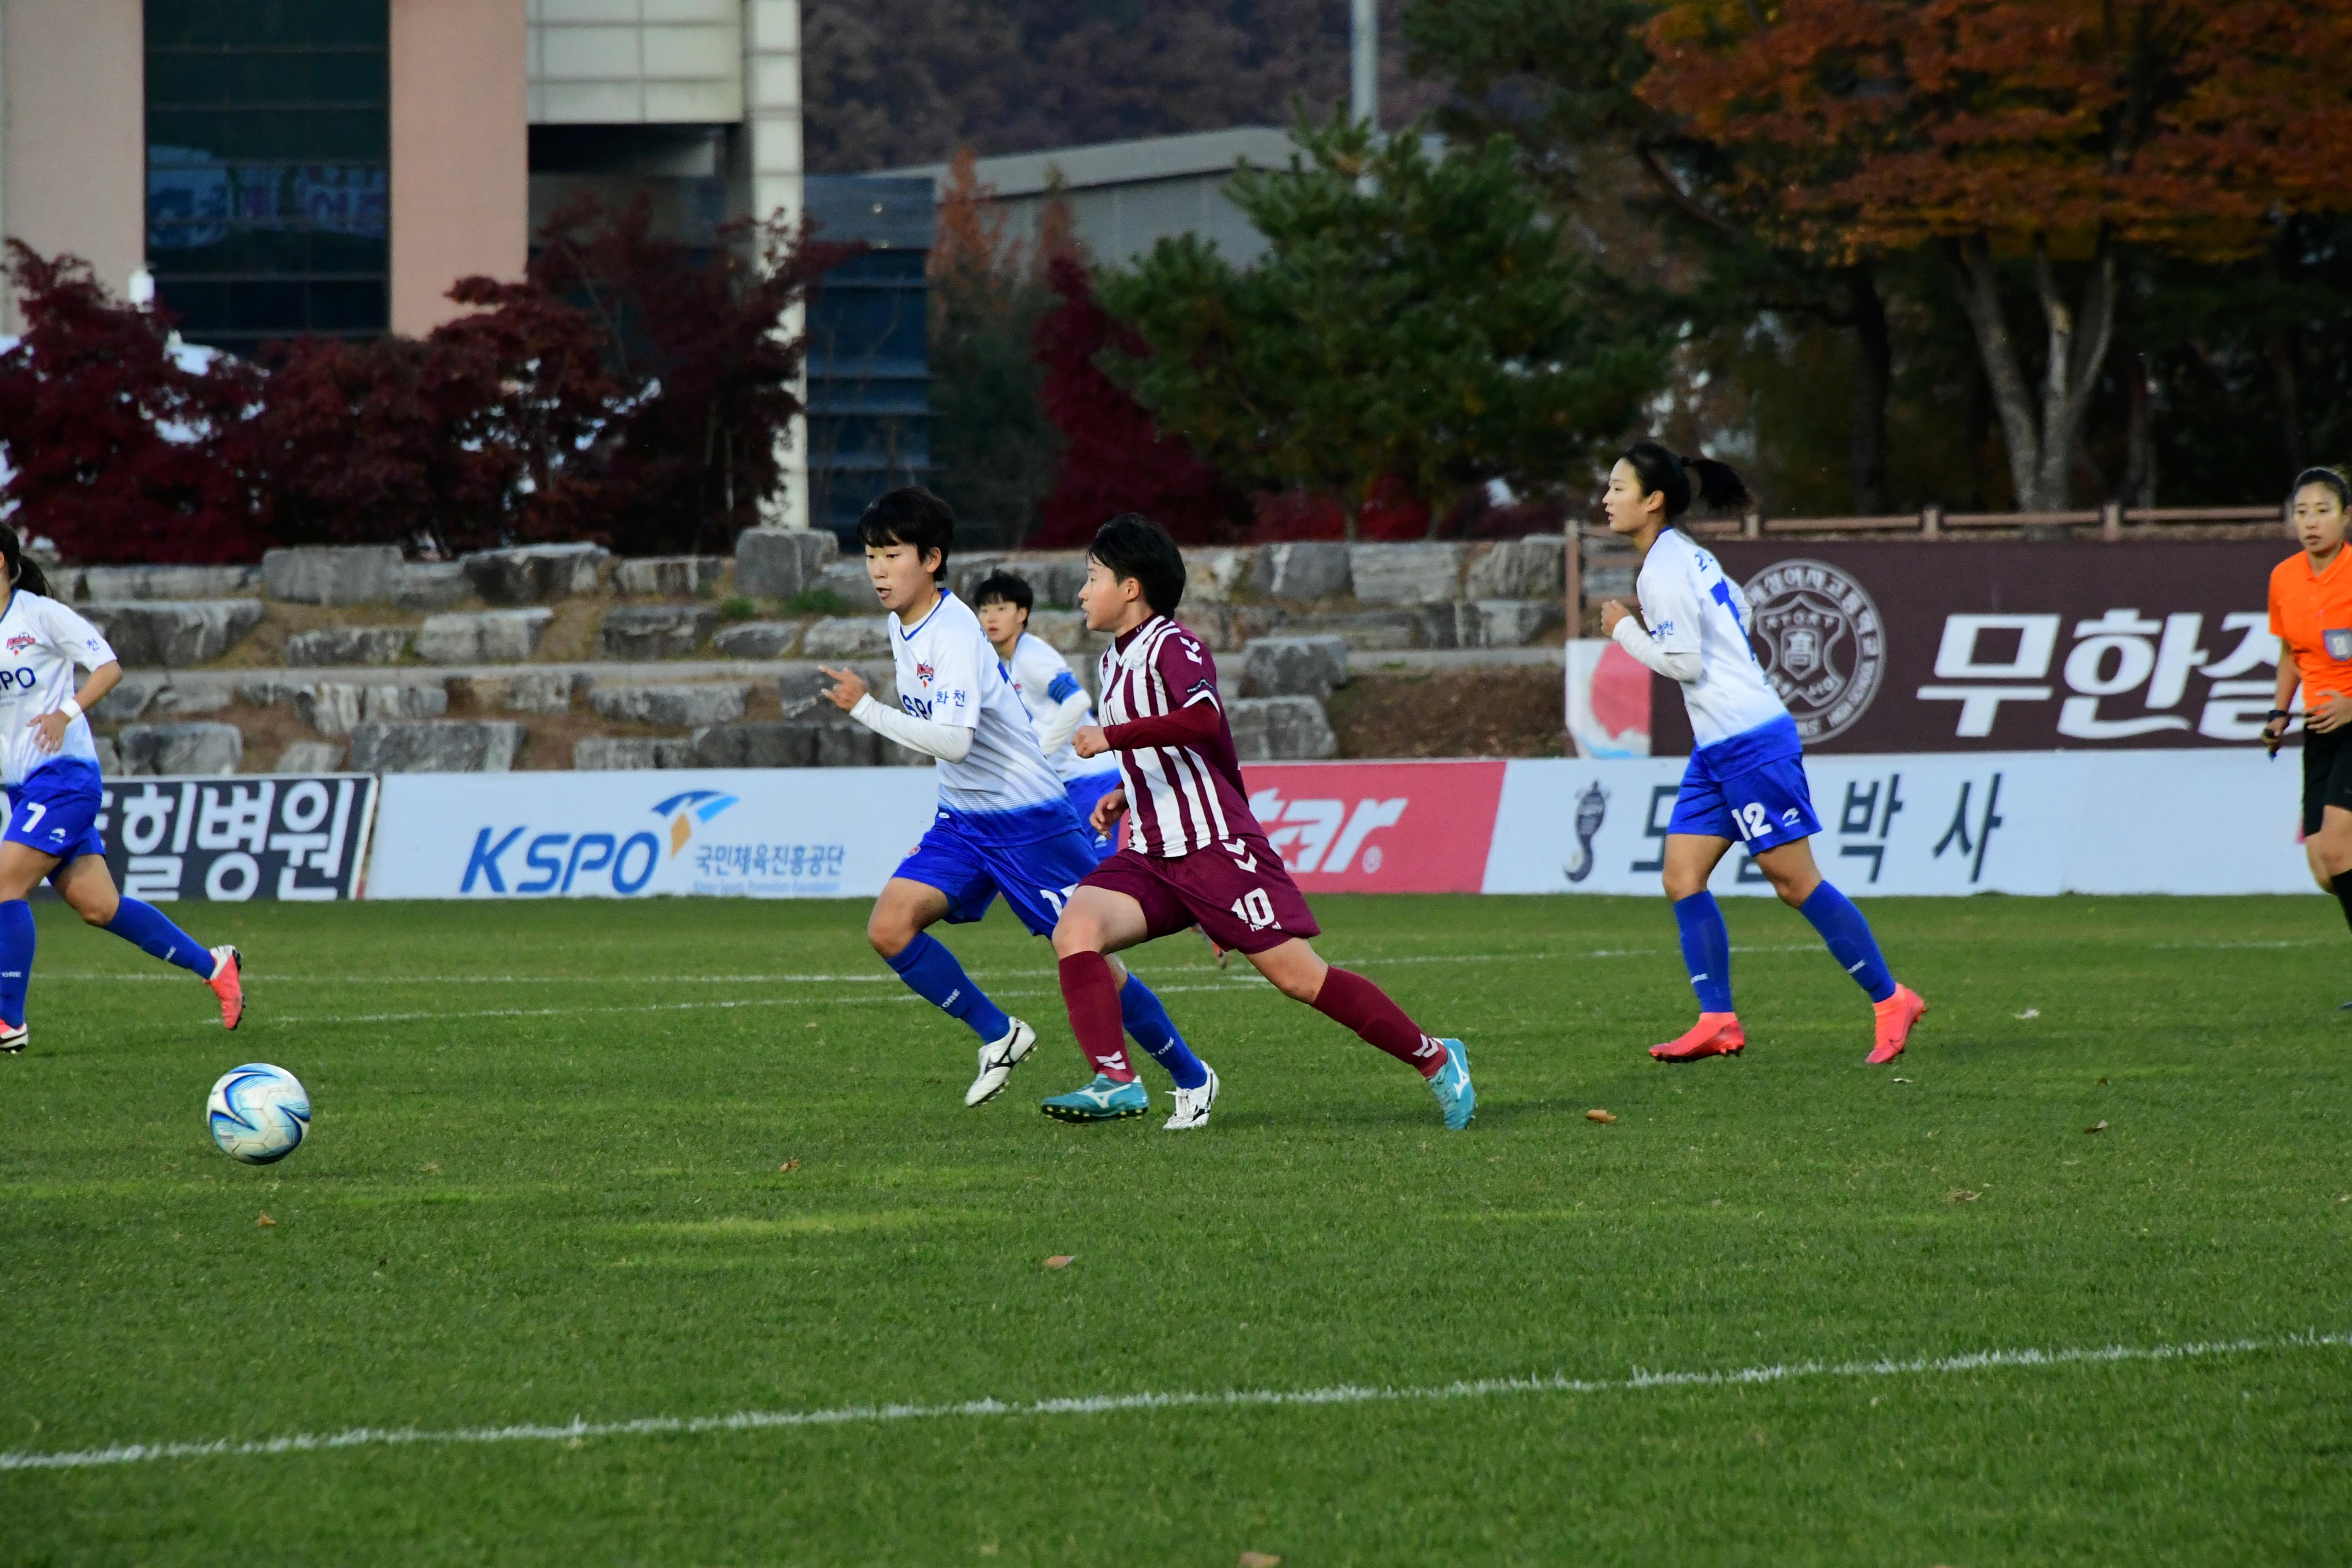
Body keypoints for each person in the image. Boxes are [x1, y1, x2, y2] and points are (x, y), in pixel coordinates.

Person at [1047, 513, 1476, 1130]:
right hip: (1154, 850)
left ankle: (1436, 1057)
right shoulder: (1114, 663)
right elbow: (1169, 748)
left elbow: (1201, 720)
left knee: (1300, 980)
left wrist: (1110, 738)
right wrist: (1124, 789)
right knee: (1075, 930)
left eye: (1092, 578)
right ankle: (1116, 1078)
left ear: (1132, 587)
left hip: (1215, 847)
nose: (1084, 592)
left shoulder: (1174, 644)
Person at [818, 488, 1220, 1129]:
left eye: (892, 555)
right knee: (890, 927)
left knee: (1088, 957)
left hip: (1028, 821)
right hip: (964, 818)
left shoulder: (952, 632)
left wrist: (866, 708)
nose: (878, 569)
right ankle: (999, 1033)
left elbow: (955, 739)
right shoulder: (902, 624)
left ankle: (1191, 1076)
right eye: (871, 555)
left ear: (932, 559)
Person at [1597, 441, 1926, 1065]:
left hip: (1748, 740)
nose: (1606, 499)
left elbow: (1686, 663)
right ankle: (1717, 1019)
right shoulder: (1688, 556)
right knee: (1682, 876)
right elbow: (1741, 610)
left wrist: (1624, 632)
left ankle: (1892, 1000)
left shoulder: (1663, 570)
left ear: (1654, 500)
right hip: (1720, 745)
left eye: (1618, 488)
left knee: (1795, 883)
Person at [0, 524, 243, 1054]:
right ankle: (215, 966)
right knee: (99, 907)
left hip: (65, 777)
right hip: (21, 789)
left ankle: (6, 1020)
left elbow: (108, 668)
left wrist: (67, 713)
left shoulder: (39, 615)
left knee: (3, 885)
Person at [2261, 466, 2352, 997]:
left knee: (2340, 851)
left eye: (2323, 511)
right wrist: (2279, 712)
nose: (2311, 522)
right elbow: (2290, 654)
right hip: (2319, 726)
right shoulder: (2285, 578)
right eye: (2302, 512)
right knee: (2323, 864)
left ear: (2345, 517)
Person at [971, 571, 1124, 857]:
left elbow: (1077, 701)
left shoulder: (1031, 657)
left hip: (1091, 779)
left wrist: (1039, 756)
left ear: (1022, 614)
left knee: (1102, 878)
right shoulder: (1011, 663)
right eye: (984, 610)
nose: (991, 618)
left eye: (1001, 609)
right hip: (1071, 784)